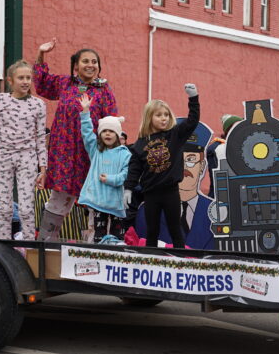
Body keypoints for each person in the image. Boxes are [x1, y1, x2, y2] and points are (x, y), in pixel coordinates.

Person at [33, 39, 118, 239]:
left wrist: (111, 154)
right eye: (85, 61)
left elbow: (111, 123)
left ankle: (92, 248)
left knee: (94, 202)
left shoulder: (104, 91)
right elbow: (42, 84)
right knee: (58, 199)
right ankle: (46, 245)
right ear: (76, 66)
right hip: (63, 154)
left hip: (90, 155)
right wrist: (41, 54)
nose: (90, 65)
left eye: (94, 62)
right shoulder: (65, 84)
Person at [125, 84, 200, 248]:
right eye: (159, 115)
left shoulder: (175, 134)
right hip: (150, 194)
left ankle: (181, 261)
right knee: (152, 230)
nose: (164, 118)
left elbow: (193, 121)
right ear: (149, 117)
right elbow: (134, 169)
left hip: (171, 191)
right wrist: (128, 188)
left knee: (175, 229)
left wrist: (193, 98)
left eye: (166, 114)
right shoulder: (140, 143)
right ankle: (152, 261)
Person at [0, 60, 47, 240]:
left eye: (28, 78)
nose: (26, 81)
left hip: (27, 156)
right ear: (11, 80)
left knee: (26, 209)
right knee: (4, 209)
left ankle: (28, 247)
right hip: (3, 155)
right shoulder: (0, 99)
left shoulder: (38, 104)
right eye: (21, 78)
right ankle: (5, 246)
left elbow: (41, 137)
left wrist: (43, 168)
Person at [136, 121, 216, 250]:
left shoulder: (216, 213)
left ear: (202, 166)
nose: (183, 167)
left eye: (190, 160)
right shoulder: (146, 211)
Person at [77, 93, 131, 241]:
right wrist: (85, 113)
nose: (108, 134)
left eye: (111, 131)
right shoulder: (96, 150)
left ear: (118, 135)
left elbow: (125, 174)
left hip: (116, 203)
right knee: (98, 237)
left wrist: (110, 179)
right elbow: (87, 134)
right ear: (100, 134)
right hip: (98, 202)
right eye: (104, 131)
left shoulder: (124, 154)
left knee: (116, 239)